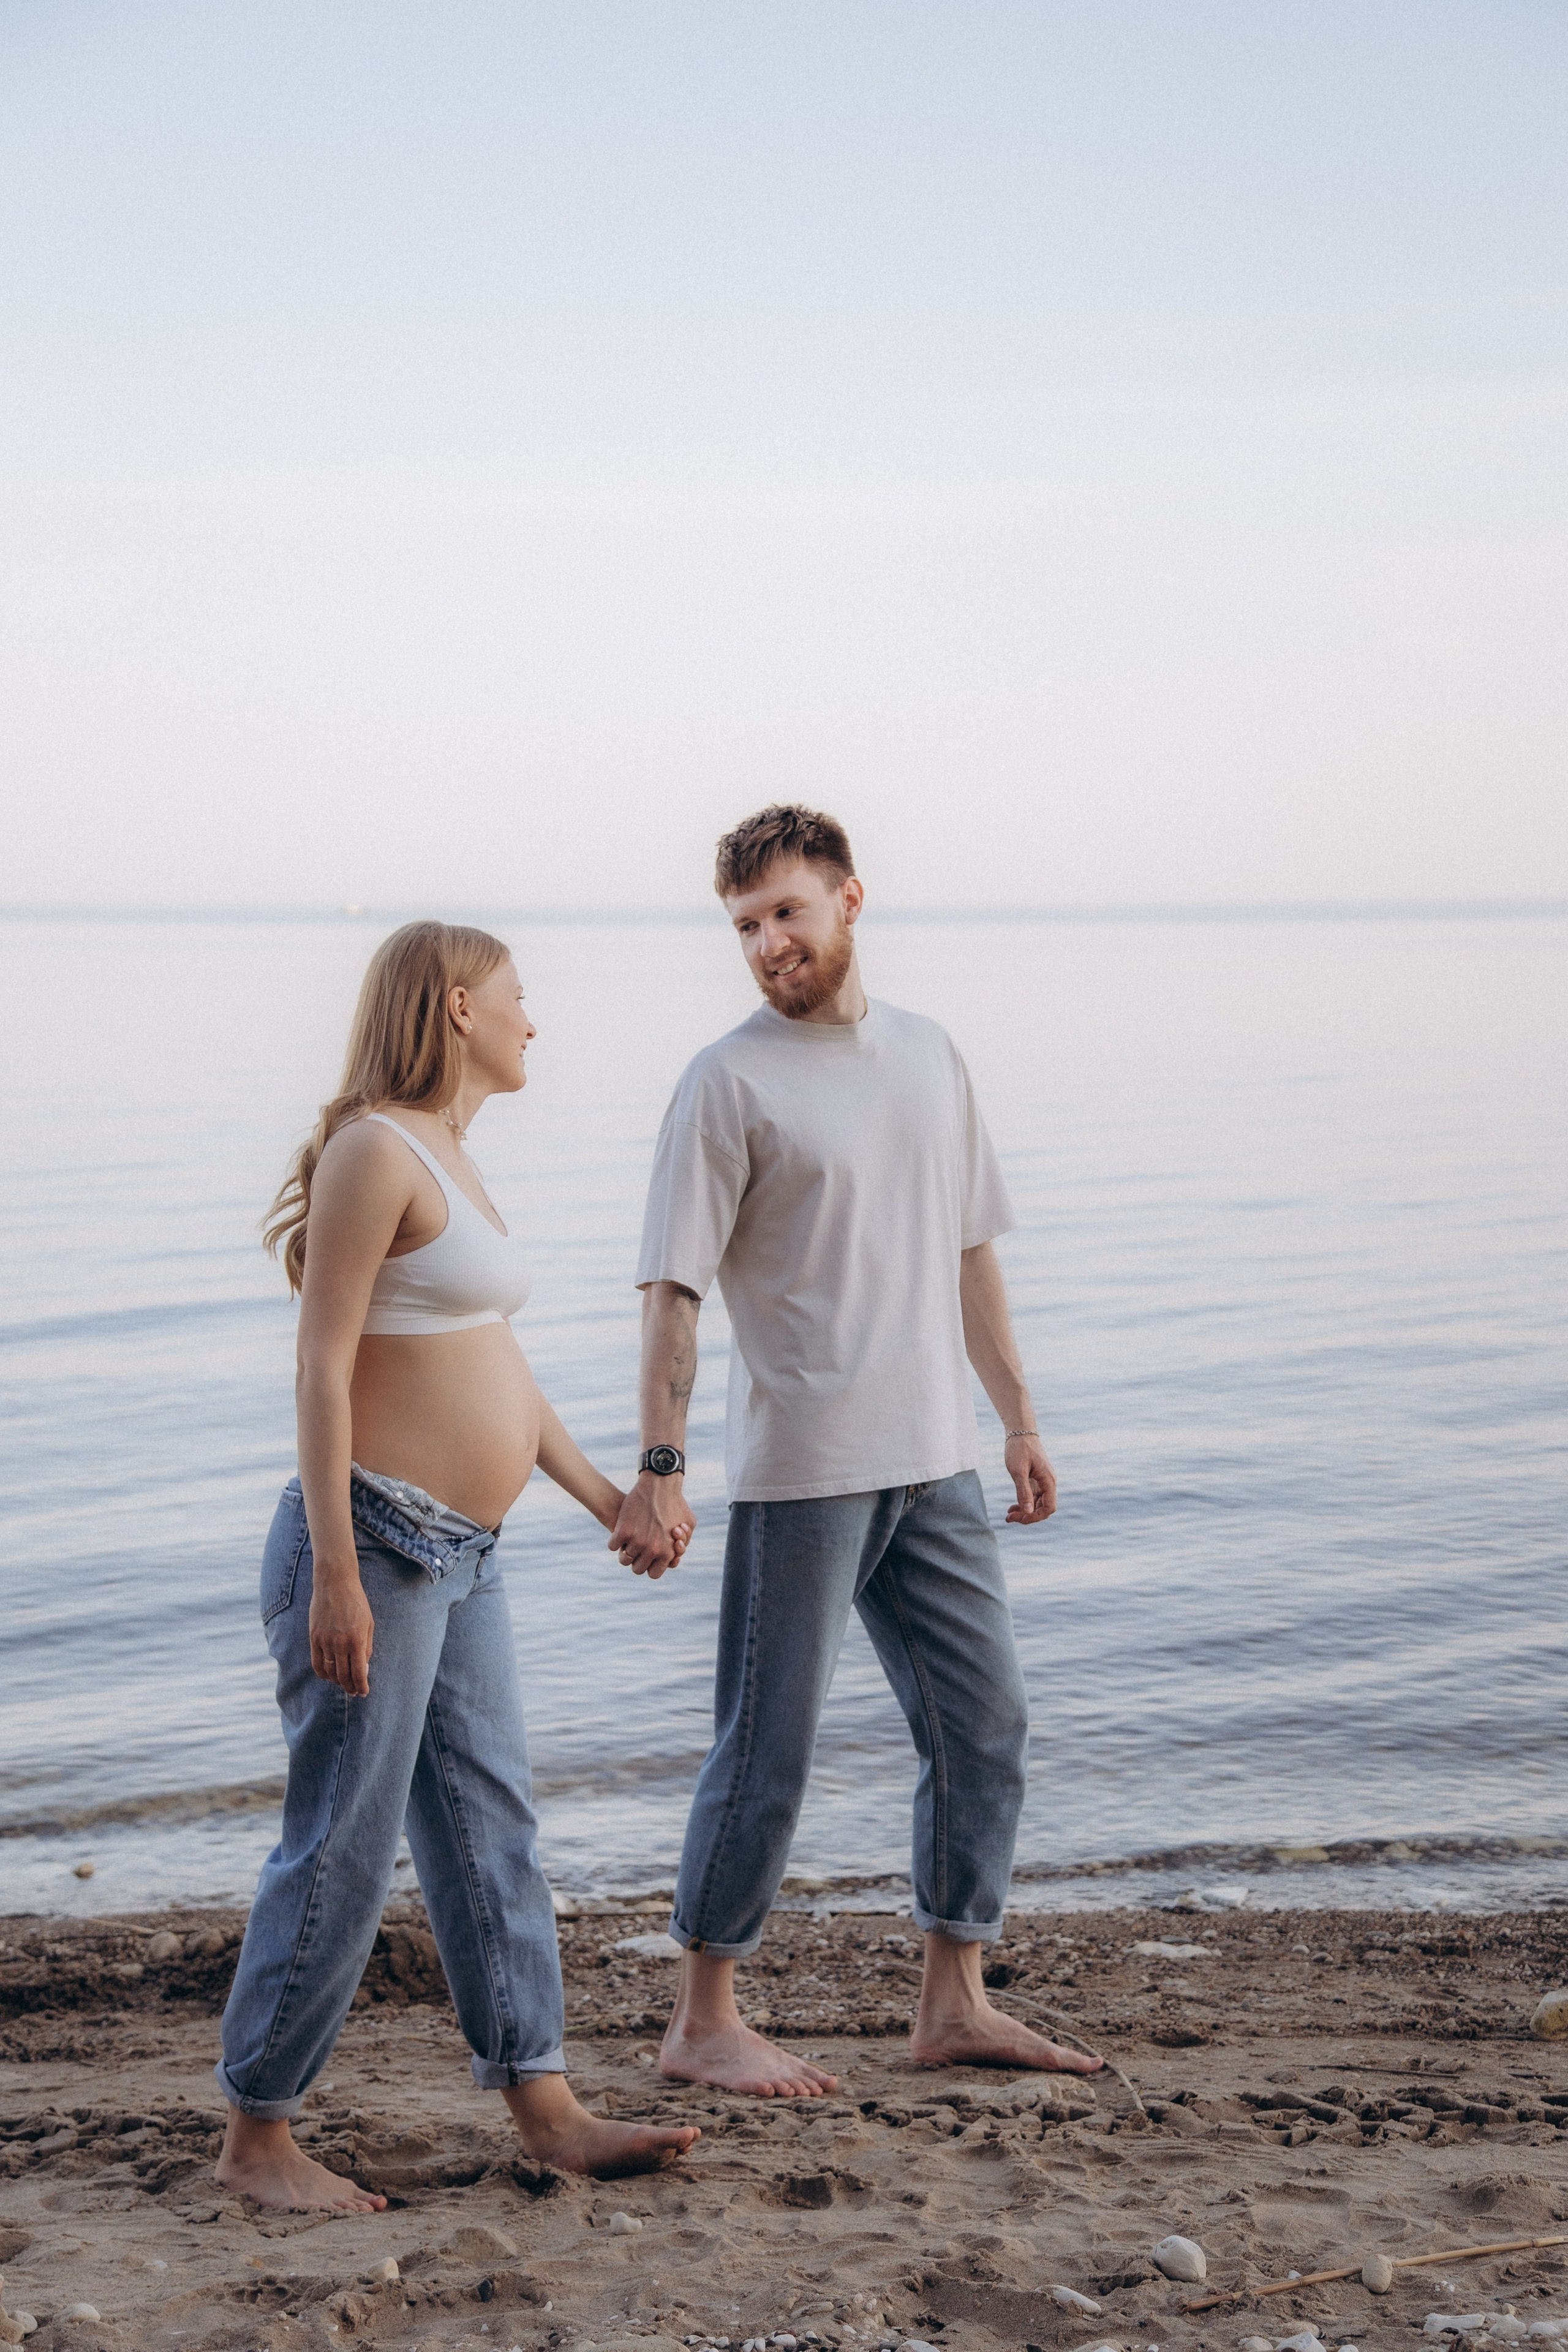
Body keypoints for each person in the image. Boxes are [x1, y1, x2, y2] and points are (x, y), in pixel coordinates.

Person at [610, 805, 1101, 2098]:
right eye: (743, 925)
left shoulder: (931, 1055)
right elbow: (673, 1293)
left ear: (848, 899)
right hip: (802, 1467)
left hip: (932, 1459)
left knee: (983, 1725)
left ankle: (952, 2002)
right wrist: (659, 1467)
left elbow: (968, 1250)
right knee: (764, 1747)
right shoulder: (726, 1082)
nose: (766, 942)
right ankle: (702, 2016)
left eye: (785, 912)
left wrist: (1018, 1418)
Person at [215, 920, 699, 2212]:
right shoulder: (375, 1150)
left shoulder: (453, 1160)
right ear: (456, 1008)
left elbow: (492, 1365)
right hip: (373, 1544)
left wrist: (611, 1499)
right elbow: (320, 1369)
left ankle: (542, 2105)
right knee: (342, 1851)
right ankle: (257, 2141)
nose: (533, 1023)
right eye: (518, 1000)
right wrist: (333, 1575)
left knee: (492, 1836)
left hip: (465, 1559)